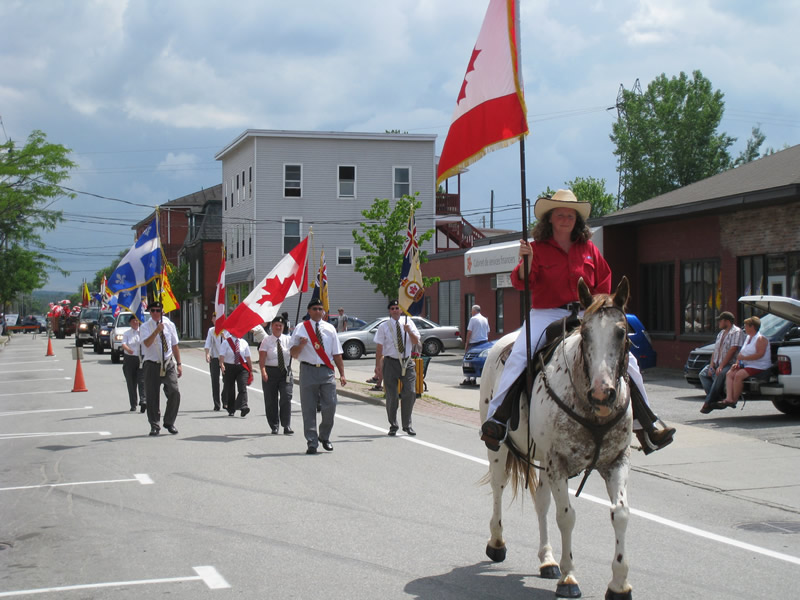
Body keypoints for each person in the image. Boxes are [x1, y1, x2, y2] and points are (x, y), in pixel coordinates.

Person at [480, 189, 675, 454]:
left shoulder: (589, 249)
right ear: (550, 219)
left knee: (629, 361)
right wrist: (525, 262)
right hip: (546, 312)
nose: (565, 218)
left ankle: (647, 424)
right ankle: (498, 419)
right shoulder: (535, 249)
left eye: (570, 215)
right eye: (560, 214)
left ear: (577, 220)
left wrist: (600, 308)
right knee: (519, 356)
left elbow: (604, 283)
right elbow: (521, 282)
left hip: (586, 314)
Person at [289, 298, 346, 454]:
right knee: (308, 408)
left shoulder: (330, 329)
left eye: (320, 309)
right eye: (314, 309)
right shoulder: (301, 328)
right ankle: (312, 441)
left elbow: (337, 353)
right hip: (308, 370)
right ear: (309, 311)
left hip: (326, 371)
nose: (318, 311)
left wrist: (342, 373)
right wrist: (301, 344)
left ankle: (324, 436)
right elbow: (293, 354)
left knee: (330, 405)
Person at [374, 300, 421, 436]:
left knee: (410, 392)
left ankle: (407, 425)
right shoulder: (384, 326)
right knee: (392, 395)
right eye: (393, 308)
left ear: (401, 310)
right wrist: (378, 365)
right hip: (390, 362)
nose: (395, 310)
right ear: (389, 311)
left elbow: (415, 341)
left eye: (397, 308)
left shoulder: (408, 322)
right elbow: (379, 347)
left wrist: (409, 331)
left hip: (407, 362)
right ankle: (393, 425)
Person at [140, 302, 182, 436]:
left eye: (158, 310)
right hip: (152, 363)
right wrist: (156, 331)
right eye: (153, 311)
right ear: (150, 312)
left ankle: (169, 421)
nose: (155, 313)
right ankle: (154, 424)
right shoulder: (146, 326)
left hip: (168, 362)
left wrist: (179, 363)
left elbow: (174, 345)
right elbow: (146, 343)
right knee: (152, 396)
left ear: (162, 311)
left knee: (174, 391)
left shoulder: (169, 325)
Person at [715, 316, 771, 410]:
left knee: (739, 375)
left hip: (759, 365)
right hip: (747, 364)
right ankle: (728, 398)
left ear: (752, 327)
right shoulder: (748, 337)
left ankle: (734, 400)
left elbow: (760, 354)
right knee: (730, 373)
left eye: (746, 325)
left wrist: (745, 358)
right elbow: (742, 352)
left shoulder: (761, 339)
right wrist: (736, 363)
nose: (744, 328)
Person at [699, 311, 745, 413]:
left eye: (720, 321)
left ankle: (708, 402)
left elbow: (733, 349)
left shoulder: (736, 332)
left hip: (730, 364)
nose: (718, 323)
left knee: (720, 374)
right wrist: (711, 365)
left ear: (727, 321)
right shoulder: (720, 333)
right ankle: (717, 399)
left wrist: (721, 366)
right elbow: (715, 351)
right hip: (718, 363)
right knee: (703, 374)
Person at [259, 315, 294, 435]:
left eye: (281, 325)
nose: (278, 327)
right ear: (272, 327)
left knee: (286, 397)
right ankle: (274, 425)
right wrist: (263, 371)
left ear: (283, 327)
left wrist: (301, 344)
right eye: (276, 325)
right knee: (271, 400)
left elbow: (296, 352)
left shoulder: (289, 340)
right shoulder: (266, 340)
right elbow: (262, 358)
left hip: (285, 372)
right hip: (270, 372)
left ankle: (286, 425)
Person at [219, 331, 253, 417]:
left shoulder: (244, 342)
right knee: (230, 388)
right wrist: (222, 365)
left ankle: (243, 406)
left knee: (242, 387)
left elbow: (248, 357)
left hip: (241, 367)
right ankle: (231, 409)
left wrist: (251, 370)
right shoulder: (226, 342)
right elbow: (222, 356)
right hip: (229, 366)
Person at [121, 314, 146, 413]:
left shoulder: (143, 332)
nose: (135, 322)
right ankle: (133, 404)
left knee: (142, 381)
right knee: (131, 382)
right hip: (130, 359)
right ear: (130, 323)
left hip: (141, 358)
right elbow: (123, 344)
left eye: (137, 320)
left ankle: (143, 400)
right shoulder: (127, 333)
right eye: (133, 321)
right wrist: (128, 349)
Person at [462, 304, 490, 385]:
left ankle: (468, 379)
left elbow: (469, 332)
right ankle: (474, 378)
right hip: (484, 342)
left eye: (471, 311)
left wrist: (466, 343)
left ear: (474, 311)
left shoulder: (473, 319)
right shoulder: (485, 319)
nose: (471, 312)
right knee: (477, 360)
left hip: (474, 342)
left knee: (468, 360)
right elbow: (488, 331)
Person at [203, 314, 224, 411]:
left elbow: (231, 342)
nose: (215, 319)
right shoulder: (211, 330)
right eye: (214, 317)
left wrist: (224, 335)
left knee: (227, 381)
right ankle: (216, 404)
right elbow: (208, 343)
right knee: (215, 381)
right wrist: (207, 353)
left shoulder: (226, 330)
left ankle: (226, 400)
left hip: (225, 359)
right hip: (215, 357)